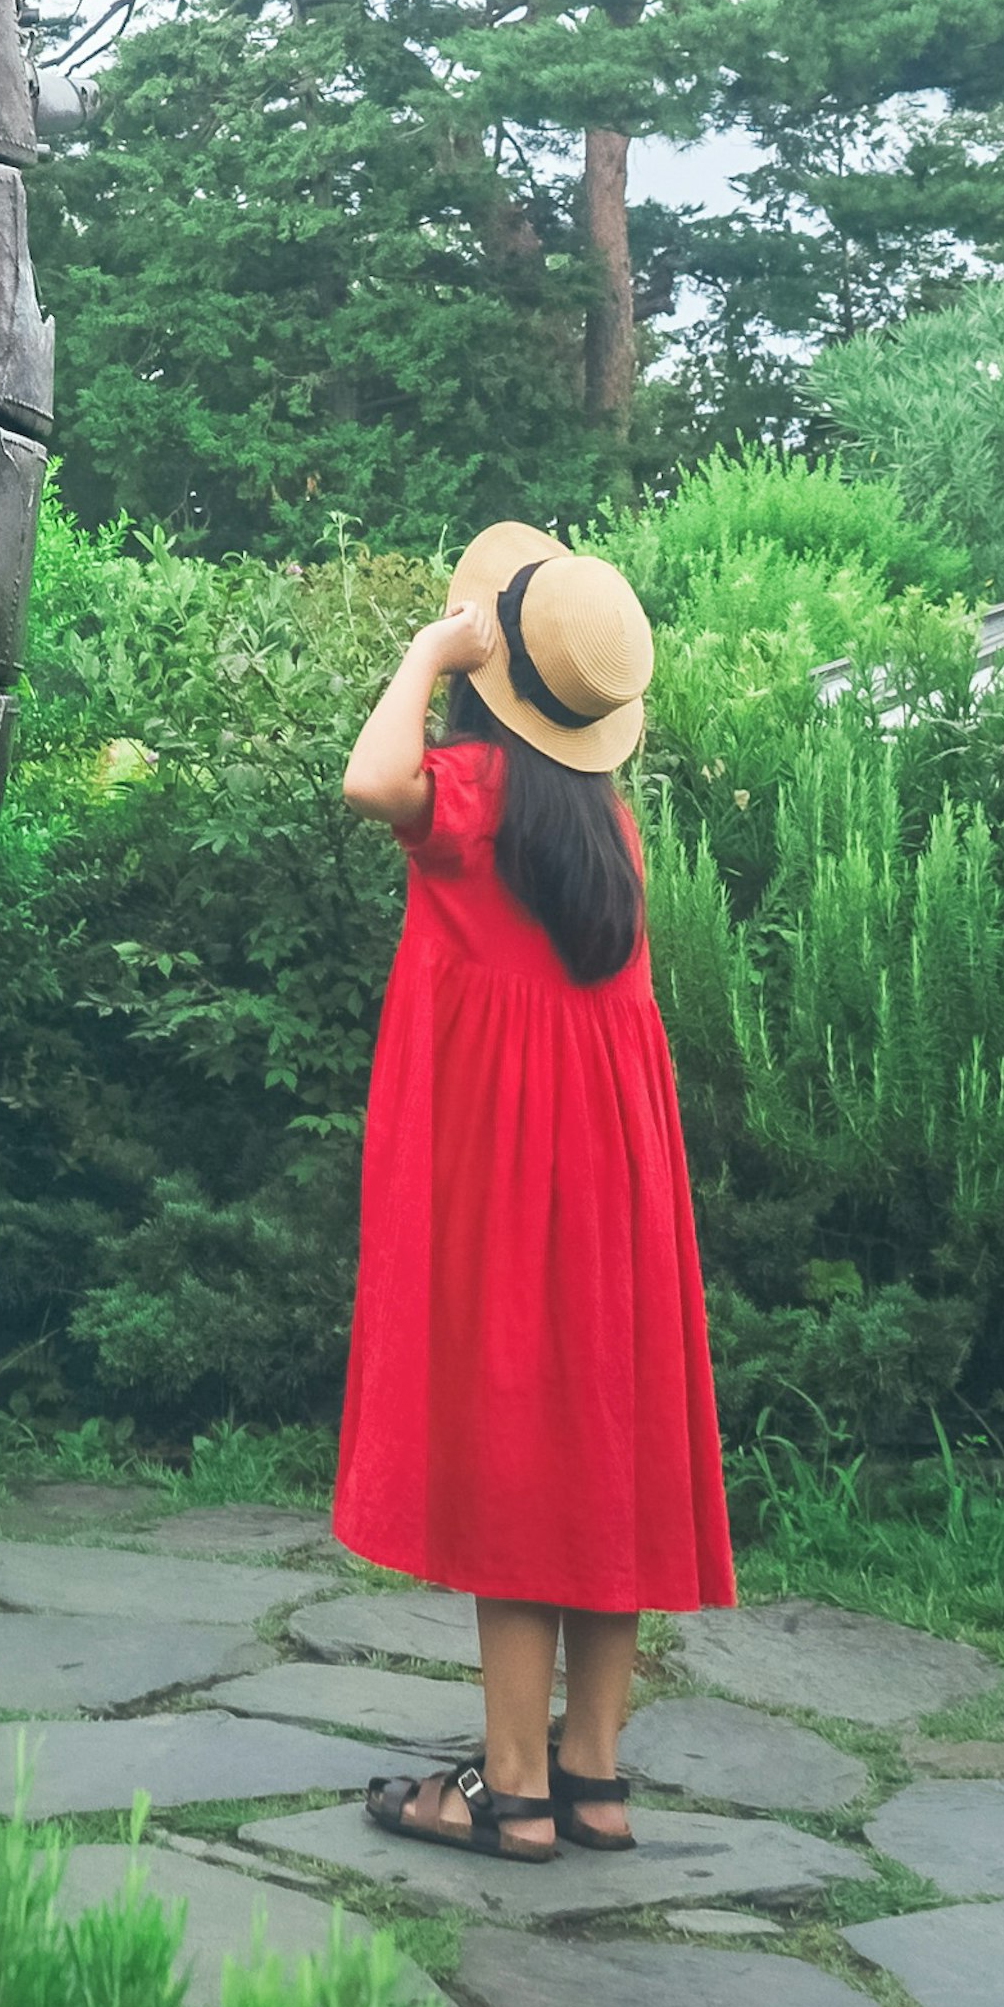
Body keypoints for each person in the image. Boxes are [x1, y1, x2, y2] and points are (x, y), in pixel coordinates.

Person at [328, 520, 733, 1862]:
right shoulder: (606, 830)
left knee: (516, 1457)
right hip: (619, 1182)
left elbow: (364, 777)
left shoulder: (474, 799)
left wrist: (426, 650)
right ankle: (594, 1777)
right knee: (600, 1460)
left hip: (510, 1181)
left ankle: (510, 1795)